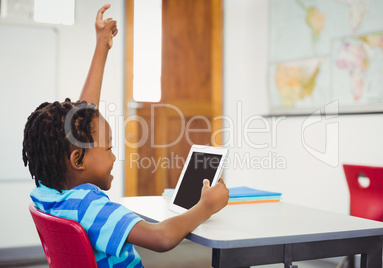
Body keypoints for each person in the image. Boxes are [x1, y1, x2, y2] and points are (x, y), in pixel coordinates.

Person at [22, 4, 229, 268]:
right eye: (108, 148)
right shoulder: (90, 207)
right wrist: (206, 207)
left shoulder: (49, 193)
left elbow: (82, 120)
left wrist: (102, 47)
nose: (114, 156)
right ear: (78, 159)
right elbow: (162, 238)